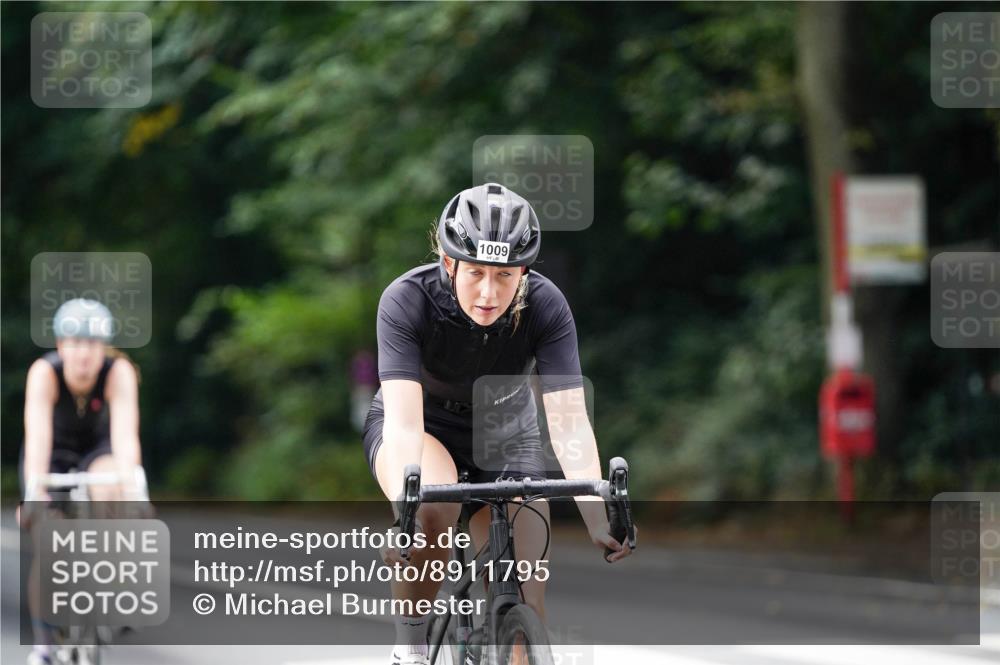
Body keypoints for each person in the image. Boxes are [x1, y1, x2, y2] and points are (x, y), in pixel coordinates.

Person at [363, 183, 634, 665]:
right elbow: (404, 425)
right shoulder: (407, 300)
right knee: (433, 513)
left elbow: (569, 425)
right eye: (476, 274)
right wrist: (405, 516)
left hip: (507, 432)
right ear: (450, 265)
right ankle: (410, 650)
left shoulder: (547, 307)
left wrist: (599, 516)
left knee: (528, 598)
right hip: (422, 428)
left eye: (505, 275)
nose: (489, 293)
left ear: (524, 271)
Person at [17, 298, 145, 665]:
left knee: (112, 484)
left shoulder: (119, 372)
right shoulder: (44, 373)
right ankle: (44, 645)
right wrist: (34, 495)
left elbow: (125, 438)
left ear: (103, 347)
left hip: (97, 452)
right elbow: (38, 438)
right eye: (75, 343)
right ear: (60, 345)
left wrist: (132, 488)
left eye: (91, 344)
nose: (83, 353)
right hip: (53, 454)